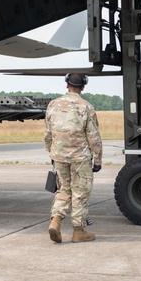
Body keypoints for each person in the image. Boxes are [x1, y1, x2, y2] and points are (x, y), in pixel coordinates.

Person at [45, 72, 102, 243]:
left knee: (63, 190)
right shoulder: (86, 107)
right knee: (80, 192)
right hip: (80, 158)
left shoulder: (53, 105)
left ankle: (55, 221)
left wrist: (52, 153)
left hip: (59, 157)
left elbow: (48, 134)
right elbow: (94, 137)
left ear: (66, 85)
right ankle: (79, 231)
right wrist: (97, 160)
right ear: (83, 87)